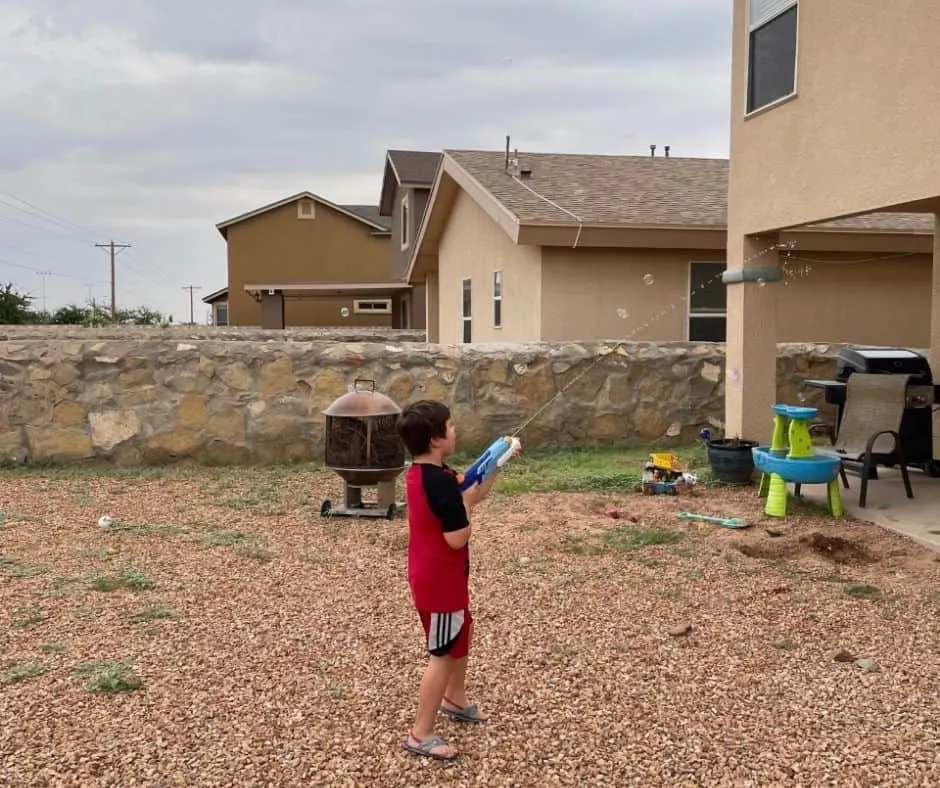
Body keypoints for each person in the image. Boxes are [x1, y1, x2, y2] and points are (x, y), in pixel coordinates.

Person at [396, 399, 521, 761]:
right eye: (450, 427)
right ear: (436, 439)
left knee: (460, 632)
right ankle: (420, 733)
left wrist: (498, 462)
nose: (455, 431)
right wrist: (464, 506)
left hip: (436, 577)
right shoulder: (442, 485)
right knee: (441, 653)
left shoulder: (429, 474)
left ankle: (455, 698)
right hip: (440, 584)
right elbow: (457, 536)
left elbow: (471, 492)